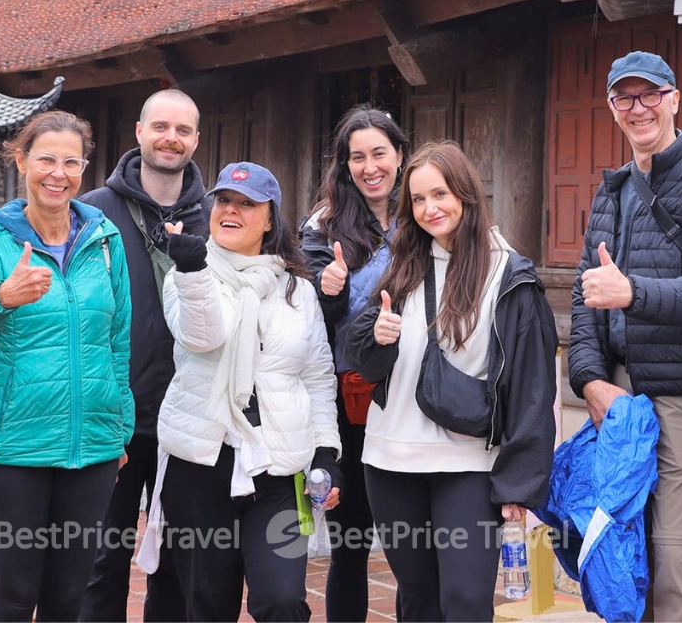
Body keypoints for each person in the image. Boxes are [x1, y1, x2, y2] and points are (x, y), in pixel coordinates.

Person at [567, 50, 682, 621]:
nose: (638, 108)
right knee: (624, 550)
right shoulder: (611, 191)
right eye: (625, 98)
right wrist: (590, 381)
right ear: (612, 109)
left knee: (677, 554)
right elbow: (585, 298)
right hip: (620, 397)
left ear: (675, 99)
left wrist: (633, 293)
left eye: (650, 94)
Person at [343, 142, 557, 622]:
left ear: (466, 194)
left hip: (468, 464)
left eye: (439, 194)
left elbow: (533, 386)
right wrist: (376, 338)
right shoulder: (402, 264)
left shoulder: (509, 273)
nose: (428, 209)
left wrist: (519, 484)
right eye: (417, 200)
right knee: (417, 596)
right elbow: (363, 359)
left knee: (464, 598)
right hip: (390, 457)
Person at [0, 111, 133, 622]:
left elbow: (117, 343)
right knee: (15, 597)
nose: (58, 174)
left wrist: (119, 431)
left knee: (69, 599)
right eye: (46, 159)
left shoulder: (104, 242)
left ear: (84, 168)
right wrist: (0, 297)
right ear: (22, 160)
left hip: (90, 449)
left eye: (71, 162)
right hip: (11, 452)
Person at [141, 161, 342, 621]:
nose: (231, 211)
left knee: (282, 599)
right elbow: (204, 337)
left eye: (247, 204)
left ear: (270, 218)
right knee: (207, 604)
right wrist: (192, 270)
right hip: (201, 467)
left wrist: (327, 452)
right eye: (224, 201)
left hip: (277, 469)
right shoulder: (187, 272)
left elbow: (316, 378)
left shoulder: (298, 290)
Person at [80, 88, 208, 622]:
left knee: (179, 561)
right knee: (100, 558)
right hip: (113, 415)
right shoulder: (90, 213)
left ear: (196, 139)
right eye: (161, 126)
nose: (170, 138)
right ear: (139, 132)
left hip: (187, 418)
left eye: (182, 130)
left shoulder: (215, 216)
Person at [300, 104, 409, 622]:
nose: (370, 167)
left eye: (379, 154)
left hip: (417, 395)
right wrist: (330, 290)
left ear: (399, 155)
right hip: (355, 400)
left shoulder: (425, 213)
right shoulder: (323, 226)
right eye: (357, 157)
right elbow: (312, 315)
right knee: (351, 542)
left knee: (415, 545)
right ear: (344, 165)